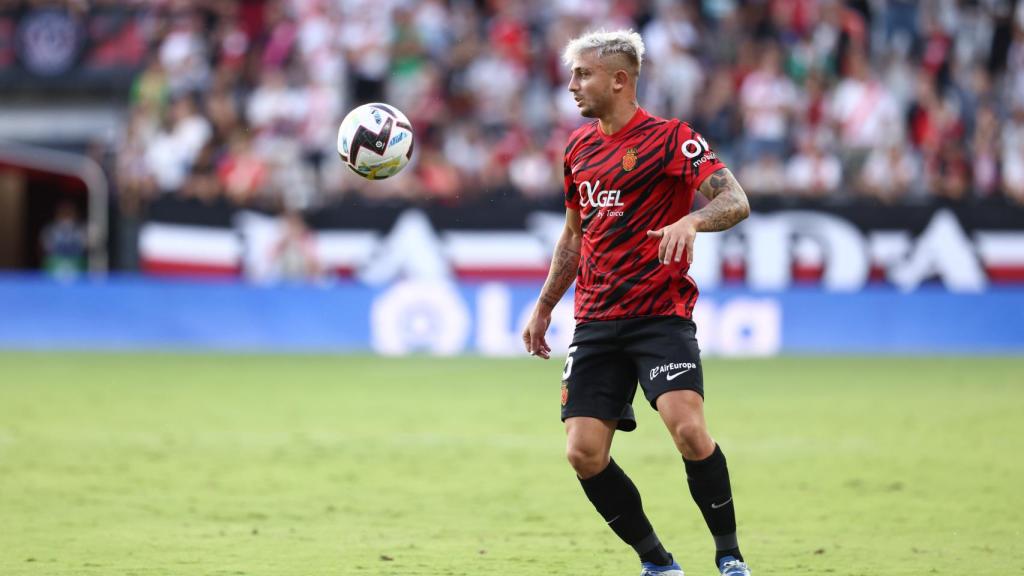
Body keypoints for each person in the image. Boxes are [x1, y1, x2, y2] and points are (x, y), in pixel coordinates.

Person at [522, 30, 753, 576]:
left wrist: (692, 220)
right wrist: (544, 305)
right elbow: (574, 237)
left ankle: (729, 555)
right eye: (573, 75)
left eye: (583, 74)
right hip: (596, 322)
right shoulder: (577, 149)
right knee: (583, 453)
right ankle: (658, 562)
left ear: (620, 79)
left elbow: (735, 199)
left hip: (659, 317)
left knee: (690, 431)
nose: (573, 85)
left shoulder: (672, 138)